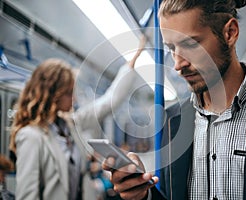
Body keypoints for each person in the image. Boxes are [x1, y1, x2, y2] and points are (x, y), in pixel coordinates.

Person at [103, 0, 246, 199]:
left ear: (230, 33)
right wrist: (142, 194)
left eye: (190, 44)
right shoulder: (173, 122)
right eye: (171, 48)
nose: (178, 64)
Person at [9, 36, 146, 200]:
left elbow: (110, 101)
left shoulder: (71, 124)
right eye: (68, 93)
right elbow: (27, 195)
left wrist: (136, 55)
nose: (73, 98)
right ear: (53, 95)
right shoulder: (31, 136)